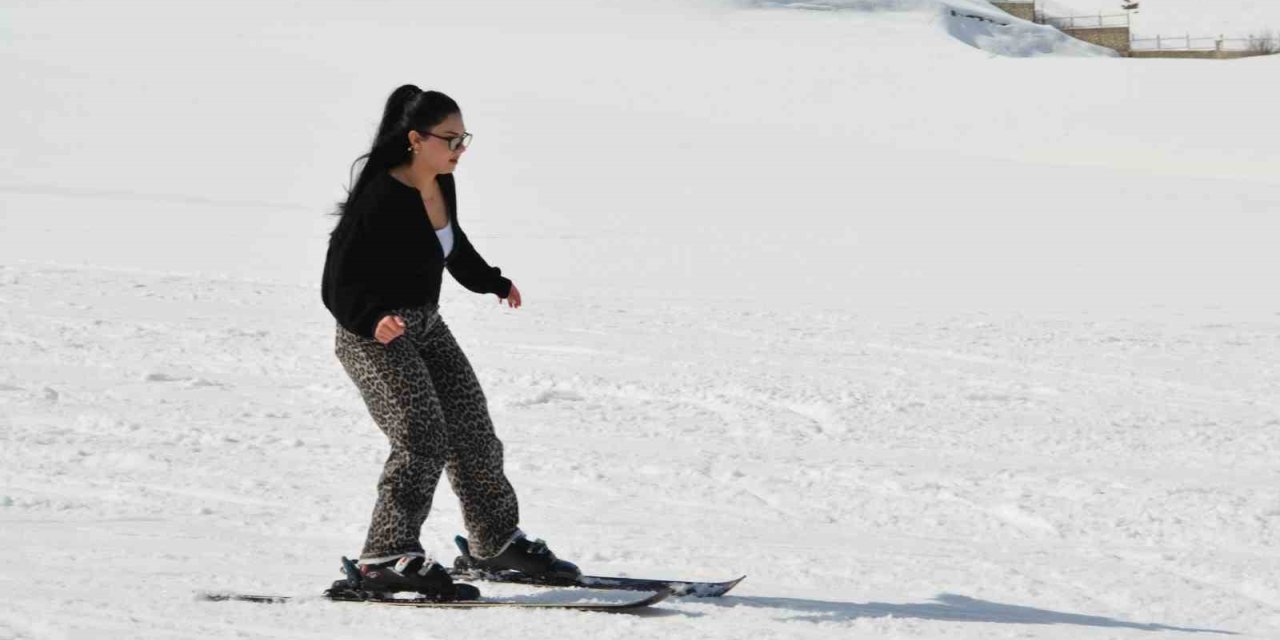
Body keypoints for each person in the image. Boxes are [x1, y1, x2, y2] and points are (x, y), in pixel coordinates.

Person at [321, 85, 579, 598]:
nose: (461, 150)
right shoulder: (379, 196)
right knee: (421, 438)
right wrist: (373, 319)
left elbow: (453, 246)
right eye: (451, 139)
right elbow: (336, 281)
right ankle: (385, 556)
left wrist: (493, 281)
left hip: (426, 324)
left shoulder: (441, 184)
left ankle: (495, 541)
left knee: (473, 430)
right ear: (416, 139)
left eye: (465, 139)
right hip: (371, 335)